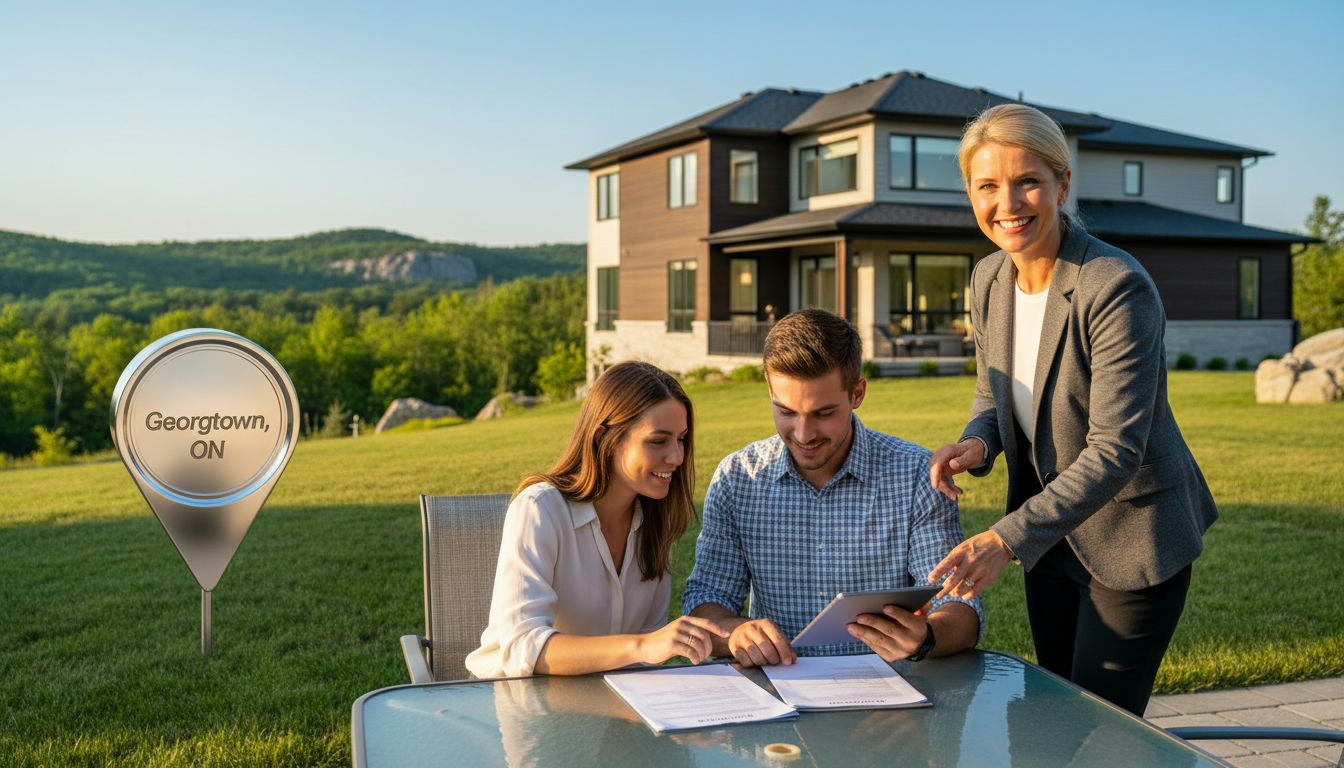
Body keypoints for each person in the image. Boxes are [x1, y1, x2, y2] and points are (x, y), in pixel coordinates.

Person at [925, 103, 1218, 716]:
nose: (1008, 202)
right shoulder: (987, 280)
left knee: (1101, 733)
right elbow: (993, 391)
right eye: (987, 186)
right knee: (1051, 720)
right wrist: (977, 443)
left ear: (1062, 184)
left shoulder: (1115, 285)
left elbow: (1115, 449)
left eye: (1027, 180)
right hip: (1049, 538)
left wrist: (1002, 540)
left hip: (1131, 538)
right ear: (970, 196)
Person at [684, 308, 984, 666]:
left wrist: (926, 636)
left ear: (857, 393)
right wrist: (734, 633)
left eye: (823, 413)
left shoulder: (918, 474)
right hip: (780, 694)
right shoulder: (737, 479)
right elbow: (708, 598)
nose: (803, 434)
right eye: (786, 411)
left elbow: (960, 606)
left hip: (889, 700)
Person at [466, 361, 729, 678]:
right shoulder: (540, 510)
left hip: (610, 708)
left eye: (681, 439)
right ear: (606, 438)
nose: (676, 456)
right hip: (520, 704)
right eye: (658, 441)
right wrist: (643, 645)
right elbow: (524, 647)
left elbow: (642, 661)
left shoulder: (655, 525)